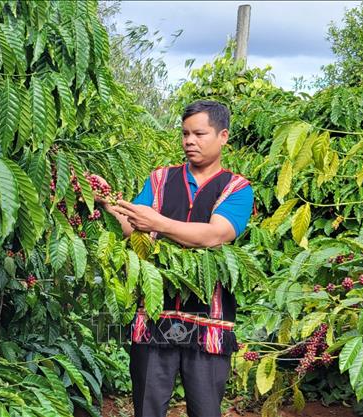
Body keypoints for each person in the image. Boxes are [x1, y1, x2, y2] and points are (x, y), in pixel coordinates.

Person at [93, 100, 254, 417]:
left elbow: (215, 234)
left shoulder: (237, 188)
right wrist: (106, 200)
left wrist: (157, 223)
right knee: (147, 409)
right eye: (184, 134)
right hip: (156, 314)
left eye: (199, 133)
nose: (189, 141)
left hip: (209, 320)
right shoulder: (160, 179)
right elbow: (129, 226)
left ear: (223, 136)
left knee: (205, 410)